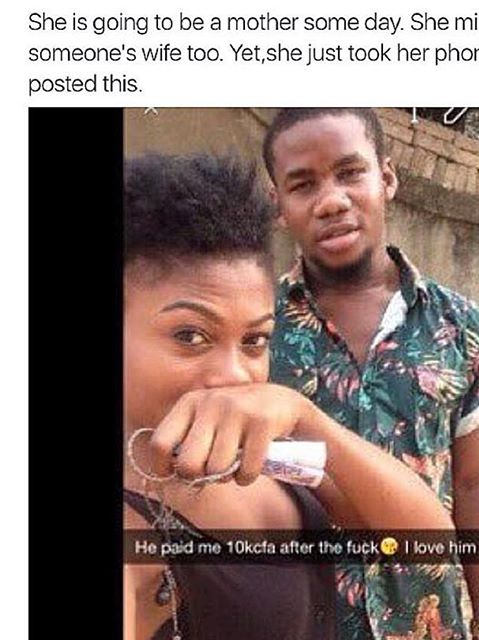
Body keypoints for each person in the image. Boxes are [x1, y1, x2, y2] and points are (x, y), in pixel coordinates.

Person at [123, 153, 455, 640]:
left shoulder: (268, 458)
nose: (235, 376)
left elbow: (428, 544)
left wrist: (306, 417)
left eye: (254, 340)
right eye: (190, 336)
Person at [264, 108, 479, 640]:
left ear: (387, 177)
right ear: (278, 205)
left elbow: (475, 482)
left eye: (350, 172)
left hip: (428, 621)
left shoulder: (463, 328)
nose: (331, 201)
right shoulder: (253, 331)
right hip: (299, 620)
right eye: (303, 184)